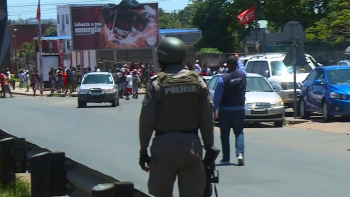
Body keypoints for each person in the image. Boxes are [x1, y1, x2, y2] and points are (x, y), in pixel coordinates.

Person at [139, 37, 214, 197]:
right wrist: (209, 147)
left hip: (163, 148)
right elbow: (207, 120)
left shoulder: (156, 84)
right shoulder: (198, 82)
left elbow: (147, 121)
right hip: (192, 146)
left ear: (162, 58)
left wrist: (143, 151)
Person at [213, 55, 247, 166]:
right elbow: (242, 68)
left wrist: (214, 110)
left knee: (225, 133)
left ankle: (226, 157)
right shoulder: (243, 75)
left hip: (225, 109)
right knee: (239, 132)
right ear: (237, 64)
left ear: (227, 65)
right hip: (239, 108)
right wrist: (239, 59)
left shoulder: (223, 78)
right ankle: (240, 154)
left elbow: (217, 97)